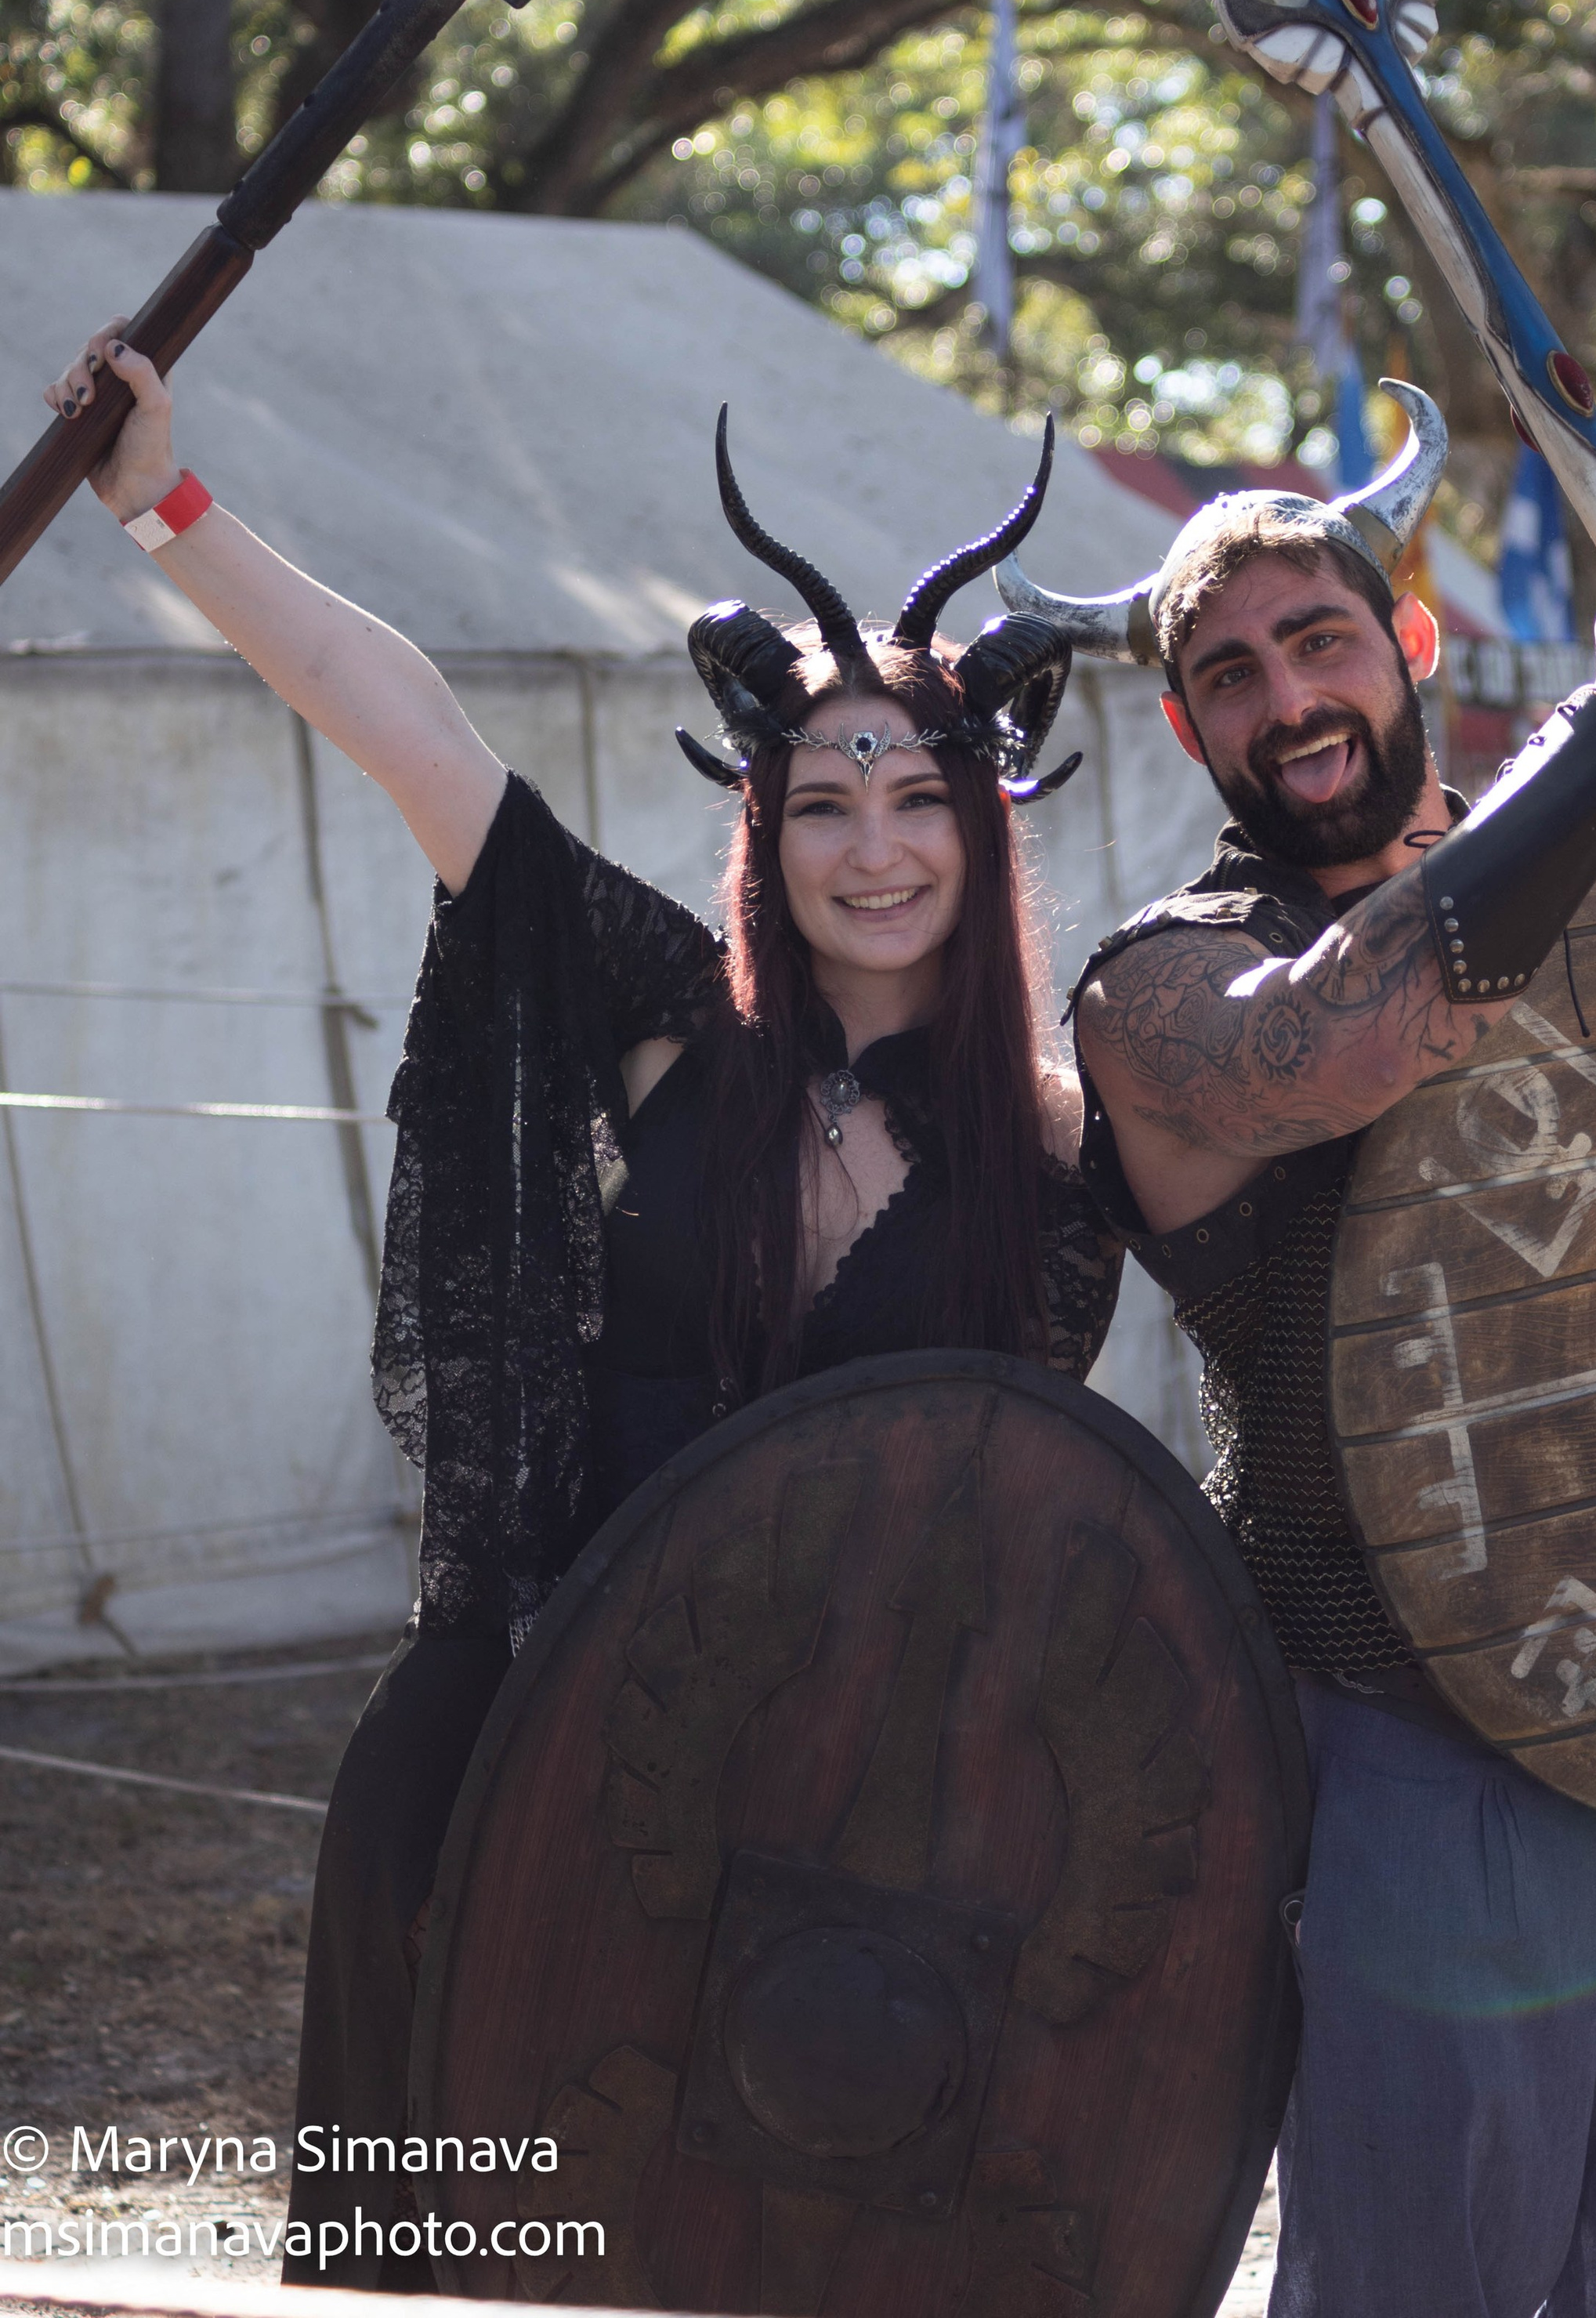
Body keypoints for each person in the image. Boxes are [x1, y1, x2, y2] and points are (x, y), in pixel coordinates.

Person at [43, 324, 1124, 2285]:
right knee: (426, 2137)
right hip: (532, 1689)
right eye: (819, 803)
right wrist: (161, 503)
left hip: (836, 1779)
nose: (870, 847)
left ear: (982, 821)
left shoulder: (1057, 1148)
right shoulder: (658, 1025)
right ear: (762, 828)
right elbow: (413, 730)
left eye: (912, 801)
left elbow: (1018, 1513)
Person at [1002, 395, 1596, 2318]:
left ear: (1404, 643)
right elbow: (1348, 1035)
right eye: (1226, 673)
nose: (1282, 695)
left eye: (1319, 639)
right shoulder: (1158, 989)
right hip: (1404, 1738)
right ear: (1184, 728)